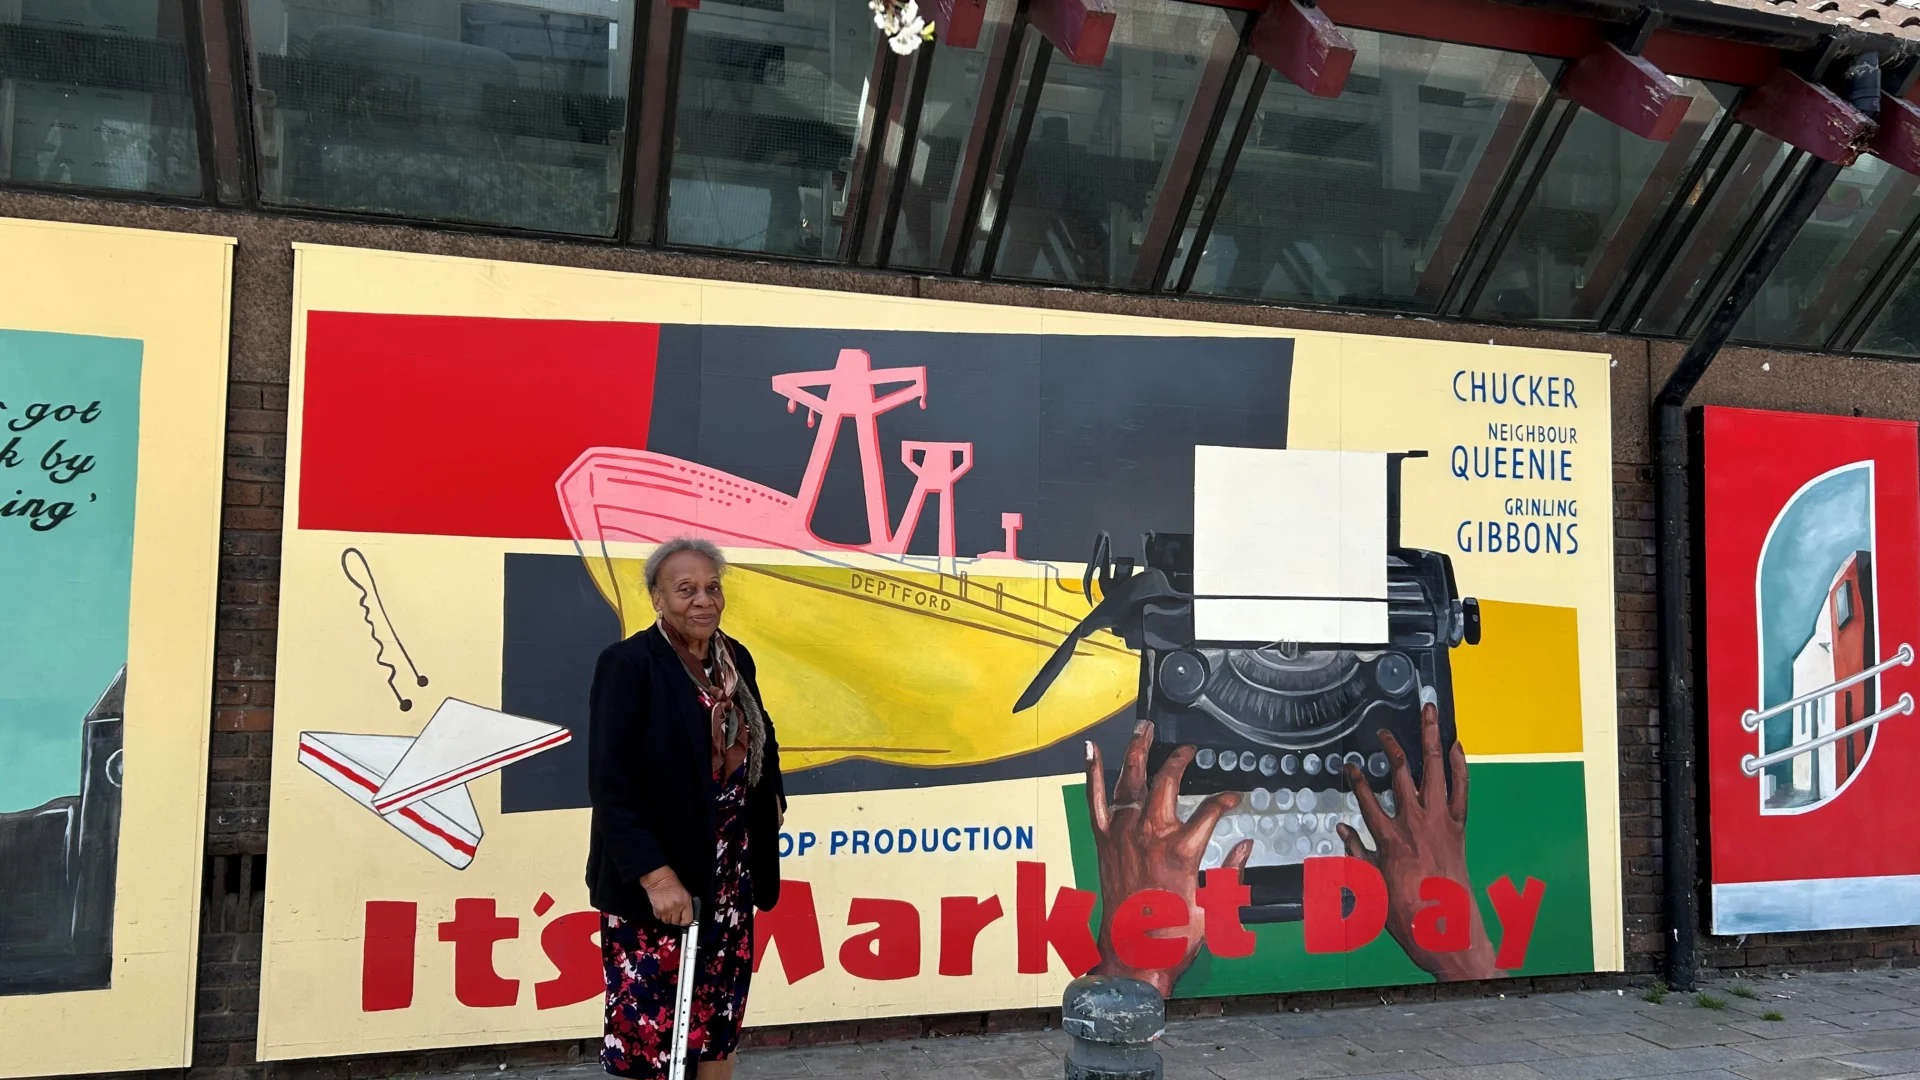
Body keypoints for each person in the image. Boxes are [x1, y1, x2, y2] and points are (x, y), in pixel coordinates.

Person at [586, 537, 787, 1080]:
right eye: (686, 590)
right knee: (654, 1036)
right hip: (663, 887)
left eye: (712, 588)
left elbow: (760, 736)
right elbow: (611, 786)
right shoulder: (629, 665)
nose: (703, 600)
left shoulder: (733, 658)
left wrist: (770, 800)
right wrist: (656, 878)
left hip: (727, 881)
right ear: (657, 598)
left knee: (718, 1025)